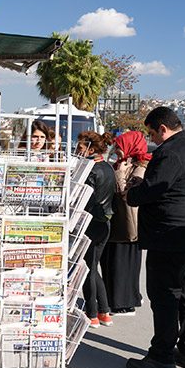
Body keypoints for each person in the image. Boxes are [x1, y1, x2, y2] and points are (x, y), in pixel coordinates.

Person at [123, 107, 185, 368]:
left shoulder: (170, 152)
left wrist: (132, 191)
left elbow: (153, 189)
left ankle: (161, 356)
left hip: (169, 236)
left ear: (163, 128)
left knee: (164, 296)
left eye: (152, 133)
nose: (153, 139)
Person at [101, 130, 150, 316]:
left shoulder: (141, 166)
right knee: (112, 262)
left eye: (121, 146)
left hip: (129, 224)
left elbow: (127, 194)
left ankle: (125, 302)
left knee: (123, 265)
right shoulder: (122, 163)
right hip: (116, 222)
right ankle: (113, 299)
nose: (118, 149)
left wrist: (120, 174)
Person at [76, 131, 117, 328]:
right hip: (104, 223)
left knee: (87, 269)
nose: (77, 151)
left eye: (80, 148)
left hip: (91, 223)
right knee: (93, 266)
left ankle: (92, 313)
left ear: (91, 149)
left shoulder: (90, 170)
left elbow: (85, 199)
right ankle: (104, 312)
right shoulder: (108, 167)